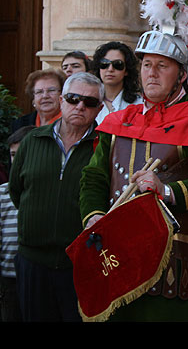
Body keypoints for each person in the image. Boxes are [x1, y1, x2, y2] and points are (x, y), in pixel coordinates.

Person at [78, 29, 188, 322]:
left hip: (178, 270)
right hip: (119, 258)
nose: (152, 73)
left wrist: (167, 190)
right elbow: (94, 177)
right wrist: (94, 216)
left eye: (162, 66)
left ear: (180, 76)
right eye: (147, 65)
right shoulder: (117, 122)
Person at [9, 72, 104, 322]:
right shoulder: (31, 140)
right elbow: (16, 190)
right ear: (62, 100)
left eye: (90, 102)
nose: (80, 106)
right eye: (73, 99)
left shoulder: (104, 147)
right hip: (33, 262)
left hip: (79, 265)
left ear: (99, 109)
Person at [0, 125, 34, 322]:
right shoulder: (3, 193)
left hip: (37, 277)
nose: (18, 159)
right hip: (8, 278)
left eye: (24, 153)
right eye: (13, 155)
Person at [91, 41, 143, 124]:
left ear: (127, 70)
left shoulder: (139, 104)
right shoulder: (89, 102)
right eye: (104, 63)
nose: (110, 69)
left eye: (118, 64)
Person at [11, 68, 65, 133]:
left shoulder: (70, 124)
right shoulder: (20, 124)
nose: (45, 96)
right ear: (33, 98)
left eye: (51, 90)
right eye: (39, 92)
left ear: (62, 94)